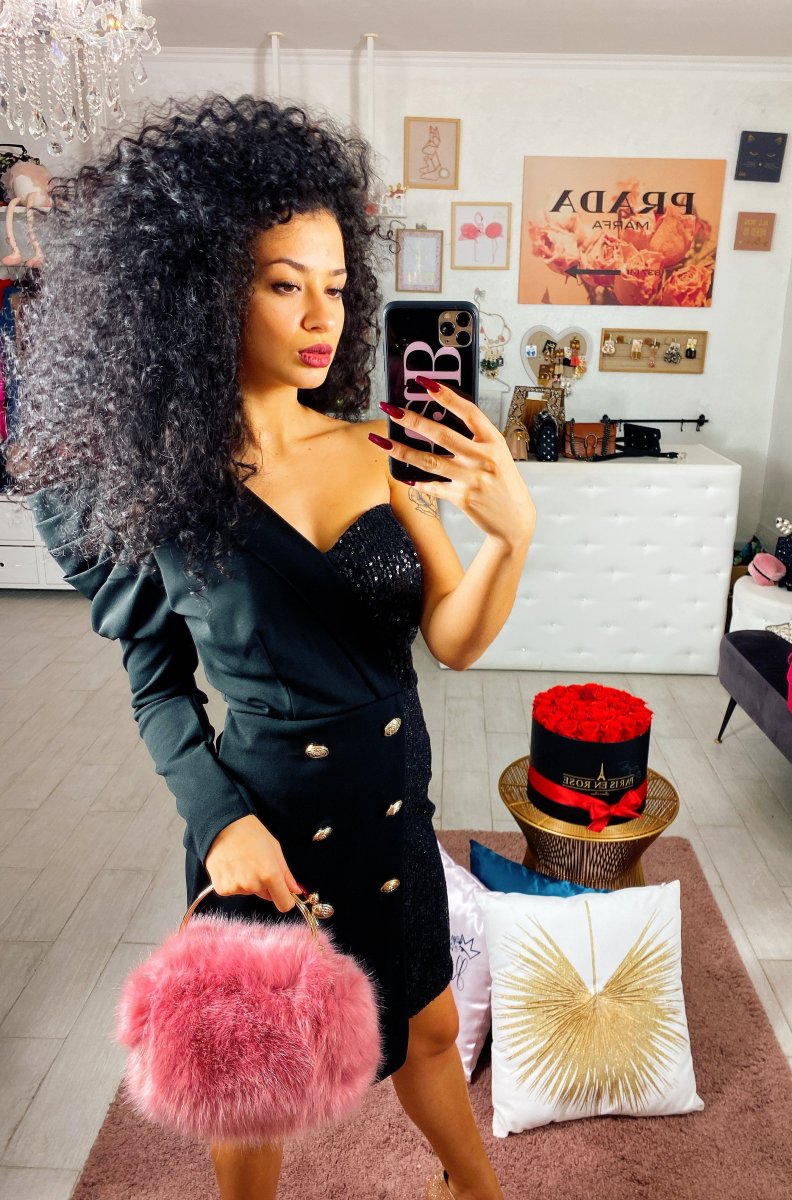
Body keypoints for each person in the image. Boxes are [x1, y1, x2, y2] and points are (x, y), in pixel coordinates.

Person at [4, 94, 535, 1200]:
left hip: (395, 802)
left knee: (431, 1027)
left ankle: (473, 1188)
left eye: (336, 286)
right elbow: (156, 684)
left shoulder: (378, 447)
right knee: (254, 1083)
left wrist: (512, 539)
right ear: (202, 290)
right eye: (284, 284)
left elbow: (452, 640)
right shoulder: (155, 487)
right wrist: (222, 823)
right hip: (272, 831)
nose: (321, 315)